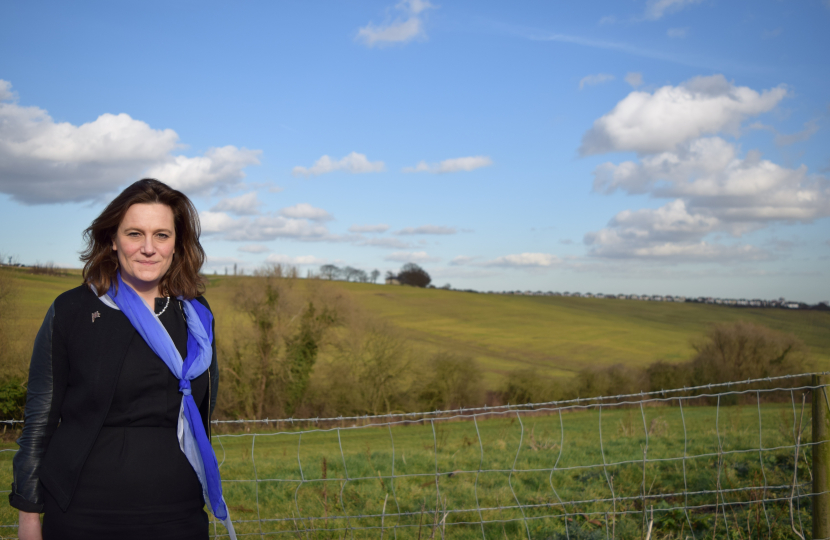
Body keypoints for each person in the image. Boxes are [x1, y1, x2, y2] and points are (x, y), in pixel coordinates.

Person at [9, 179, 235, 540]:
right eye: (135, 234)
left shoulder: (196, 316)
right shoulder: (72, 311)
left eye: (161, 235)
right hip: (82, 513)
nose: (148, 248)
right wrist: (29, 515)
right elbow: (39, 423)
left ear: (177, 244)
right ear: (112, 240)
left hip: (178, 513)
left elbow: (204, 409)